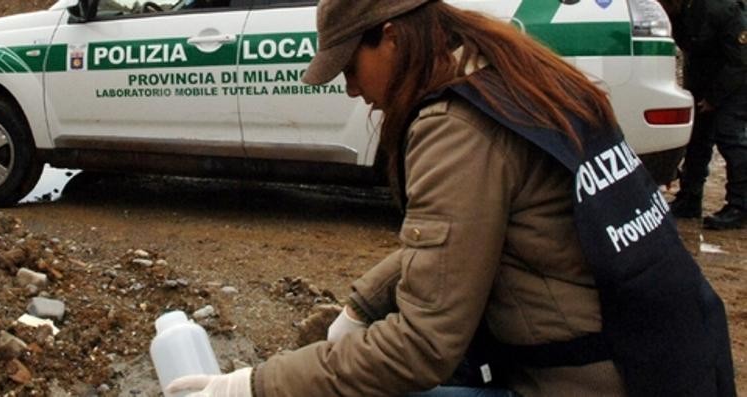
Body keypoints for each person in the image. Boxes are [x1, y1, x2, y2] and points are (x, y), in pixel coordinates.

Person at [166, 0, 736, 396]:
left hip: (588, 382)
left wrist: (252, 387)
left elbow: (420, 347)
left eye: (350, 67)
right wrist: (362, 306)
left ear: (389, 36)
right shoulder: (525, 76)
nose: (352, 89)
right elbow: (470, 232)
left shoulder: (456, 125)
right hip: (674, 360)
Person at [661, 0, 747, 229]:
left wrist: (714, 98)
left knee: (731, 138)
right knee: (697, 139)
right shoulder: (678, 14)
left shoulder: (720, 8)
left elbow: (740, 60)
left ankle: (740, 206)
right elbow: (692, 52)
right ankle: (689, 199)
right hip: (703, 79)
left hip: (736, 79)